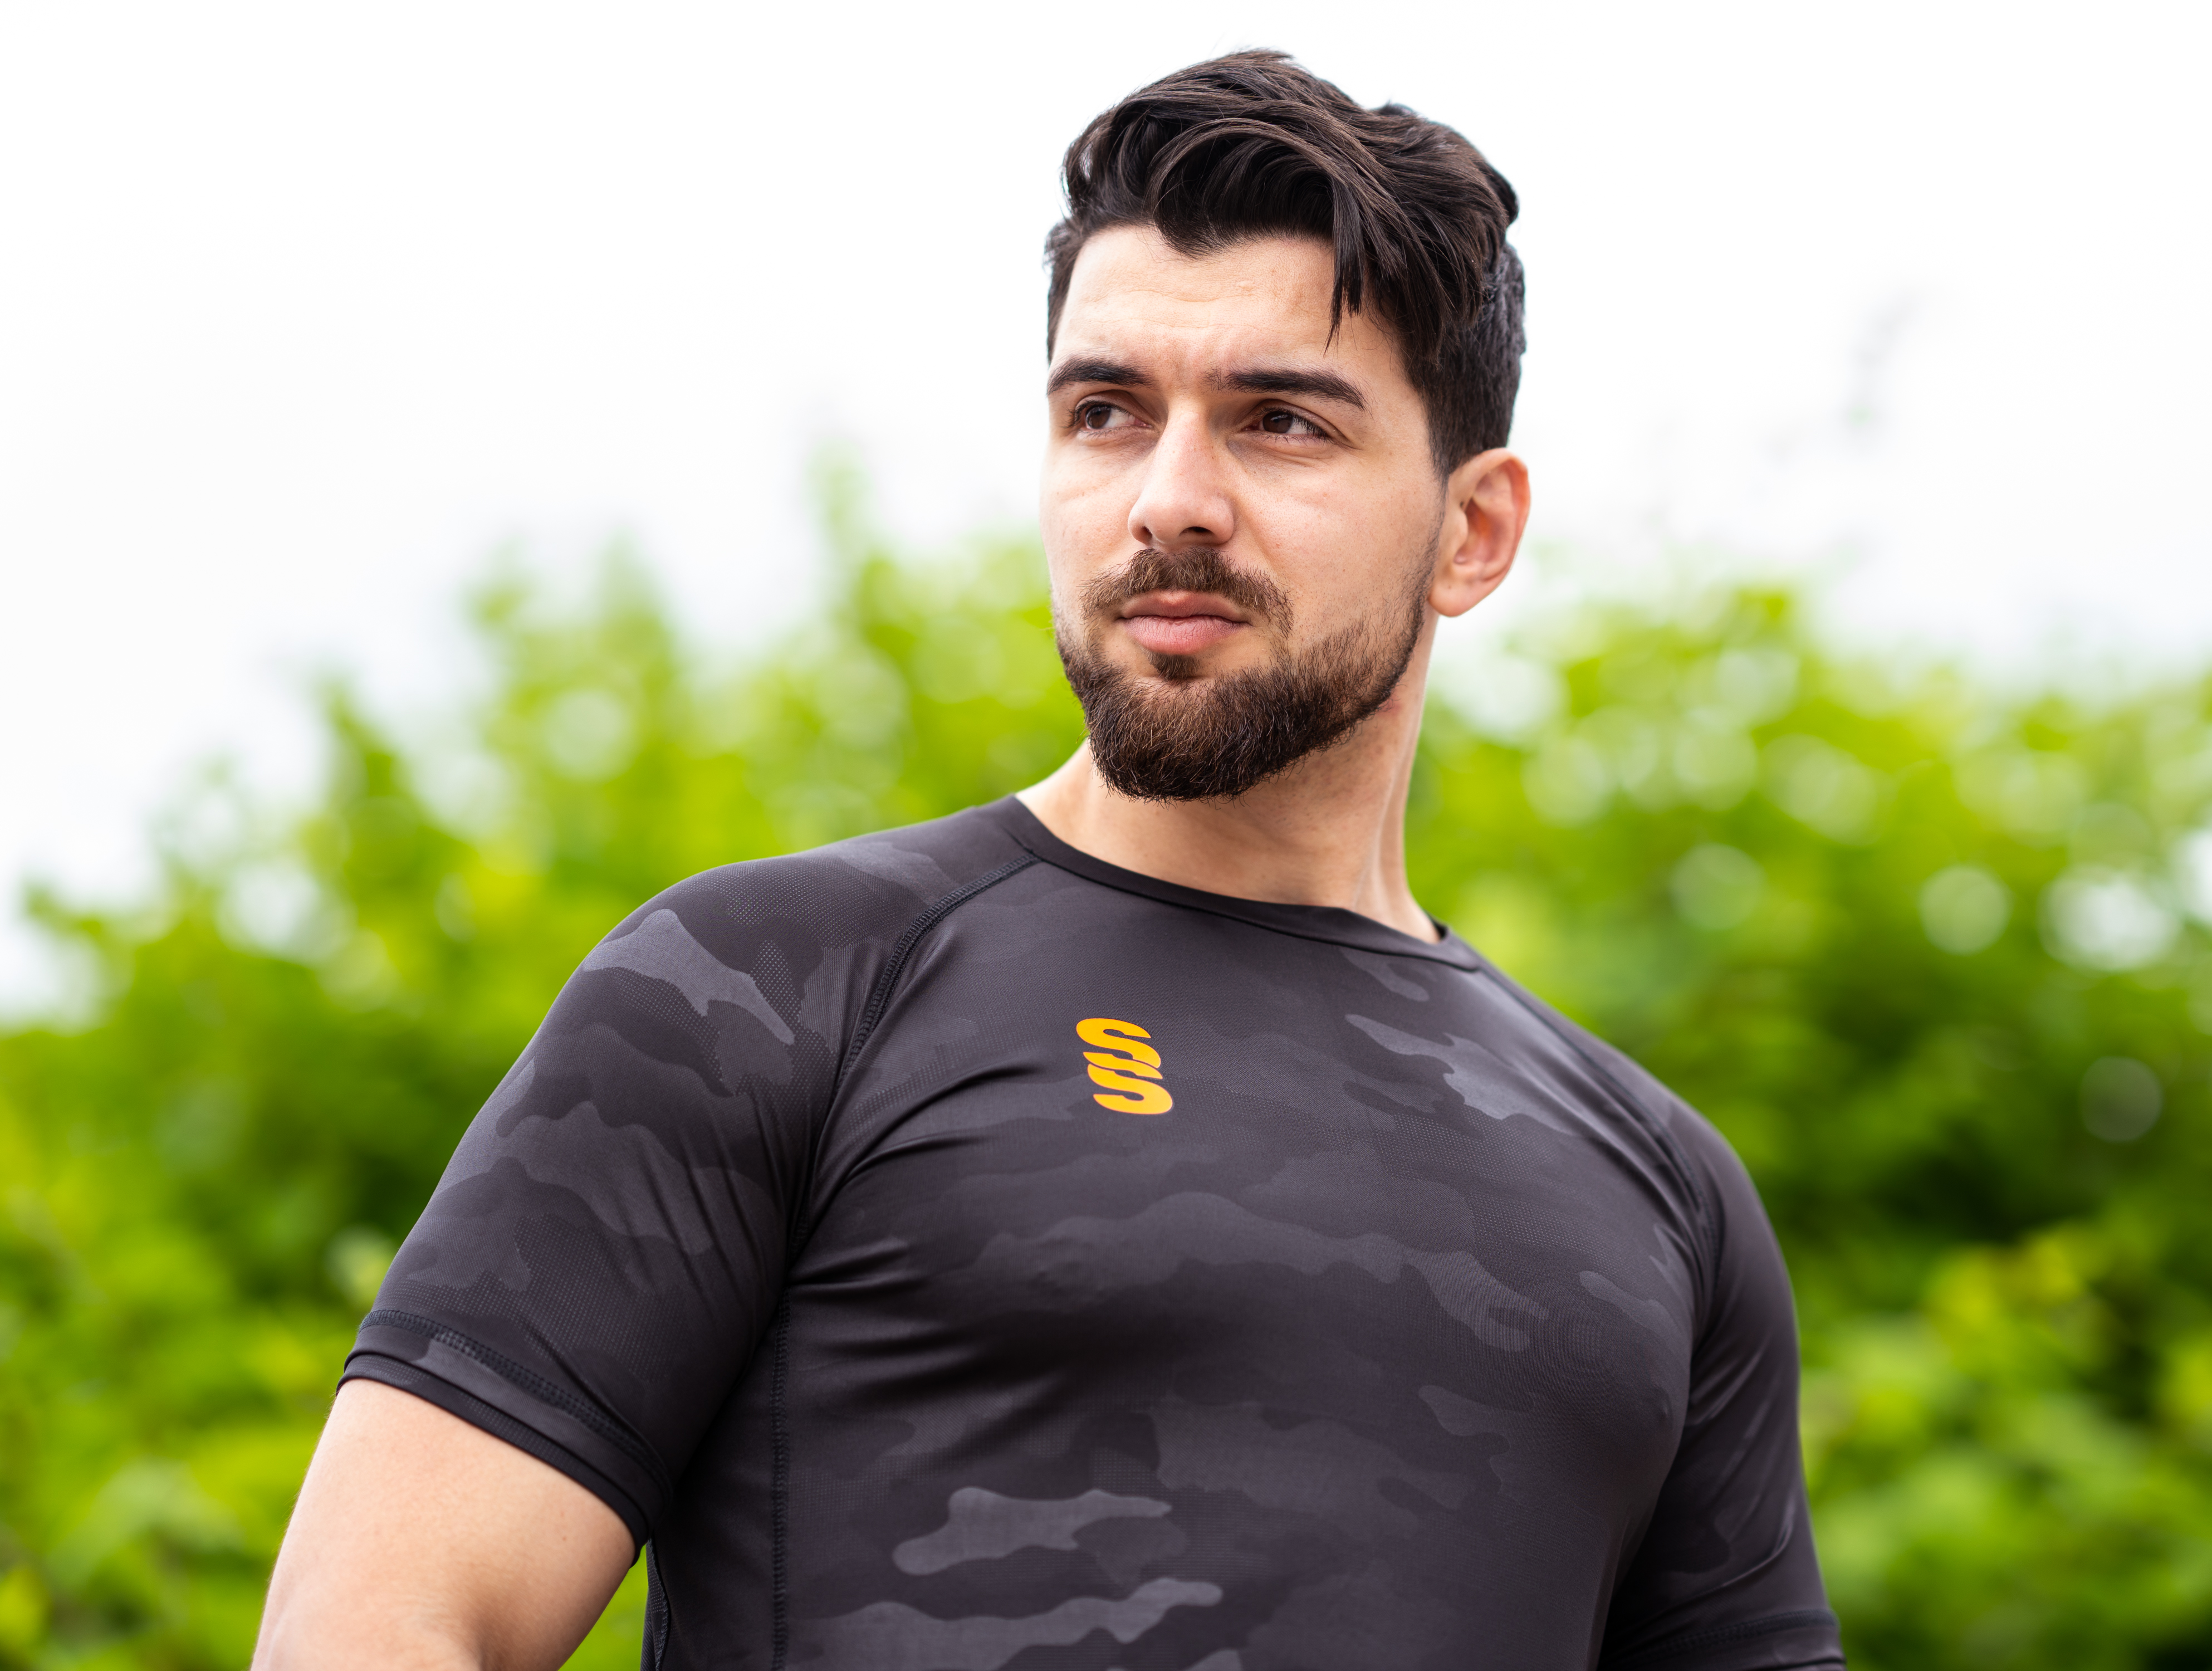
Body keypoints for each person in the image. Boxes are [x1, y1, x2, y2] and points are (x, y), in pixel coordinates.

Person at [254, 50, 1844, 1671]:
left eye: (1279, 422)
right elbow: (380, 1626)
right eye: (1106, 414)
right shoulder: (773, 988)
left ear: (1474, 529)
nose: (1169, 501)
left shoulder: (1659, 1189)